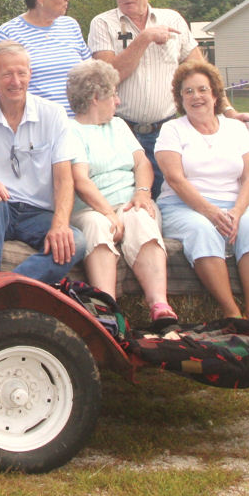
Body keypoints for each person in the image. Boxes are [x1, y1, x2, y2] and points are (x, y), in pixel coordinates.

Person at [89, 0, 249, 198]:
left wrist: (228, 111)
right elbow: (107, 79)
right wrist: (144, 39)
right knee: (125, 200)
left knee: (168, 198)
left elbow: (202, 74)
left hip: (166, 132)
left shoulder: (173, 20)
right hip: (121, 130)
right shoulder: (103, 23)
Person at [0, 41, 86, 283]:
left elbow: (64, 179)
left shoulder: (53, 114)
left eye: (21, 73)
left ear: (30, 73)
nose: (15, 81)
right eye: (7, 74)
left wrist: (60, 224)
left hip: (38, 213)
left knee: (76, 241)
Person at [155, 60, 249, 320]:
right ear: (180, 99)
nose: (196, 96)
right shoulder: (172, 129)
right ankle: (232, 313)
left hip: (232, 204)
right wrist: (210, 212)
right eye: (188, 91)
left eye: (202, 89)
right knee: (202, 230)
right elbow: (175, 179)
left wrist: (237, 212)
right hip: (182, 206)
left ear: (215, 94)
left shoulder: (235, 128)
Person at [64, 60, 176, 322]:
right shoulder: (71, 131)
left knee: (140, 216)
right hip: (89, 208)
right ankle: (107, 309)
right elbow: (80, 180)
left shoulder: (119, 126)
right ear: (95, 97)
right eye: (114, 94)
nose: (118, 100)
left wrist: (143, 192)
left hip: (128, 202)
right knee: (96, 224)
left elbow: (142, 163)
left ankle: (159, 304)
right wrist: (109, 214)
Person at [0, 0, 89, 115]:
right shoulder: (8, 33)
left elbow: (90, 72)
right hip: (36, 124)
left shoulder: (71, 26)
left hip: (79, 123)